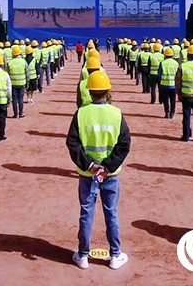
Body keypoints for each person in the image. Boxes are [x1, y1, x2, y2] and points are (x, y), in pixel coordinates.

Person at [66, 71, 131, 270]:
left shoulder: (81, 114)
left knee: (86, 213)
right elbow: (124, 144)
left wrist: (90, 165)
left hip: (88, 175)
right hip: (110, 175)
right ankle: (115, 255)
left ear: (89, 91)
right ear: (108, 91)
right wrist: (107, 167)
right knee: (111, 213)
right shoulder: (116, 113)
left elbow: (72, 143)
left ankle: (83, 255)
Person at [6, 45, 28, 119]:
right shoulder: (23, 62)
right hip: (22, 83)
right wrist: (27, 83)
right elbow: (27, 74)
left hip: (13, 83)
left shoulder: (10, 63)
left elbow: (8, 74)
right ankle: (21, 113)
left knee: (14, 99)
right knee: (21, 99)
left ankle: (15, 114)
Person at [158, 47, 179, 119]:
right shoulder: (176, 63)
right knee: (173, 100)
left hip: (164, 84)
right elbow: (178, 75)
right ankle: (172, 113)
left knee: (165, 100)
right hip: (173, 85)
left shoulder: (162, 63)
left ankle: (167, 112)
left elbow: (159, 74)